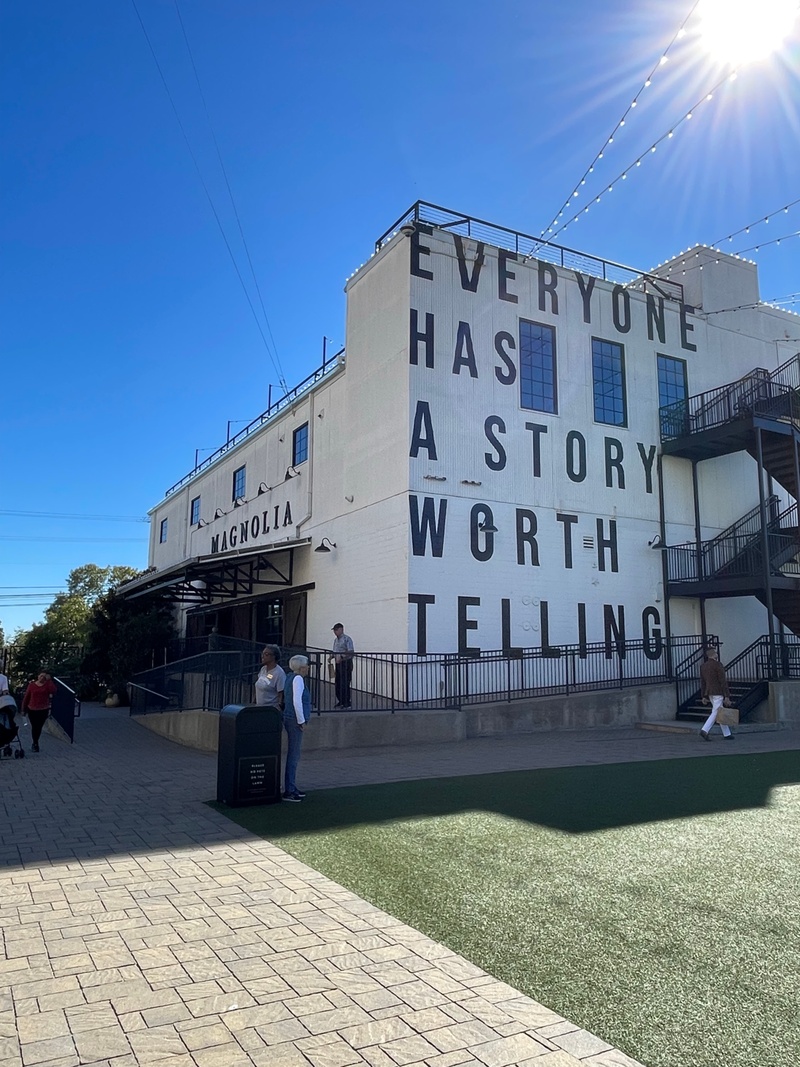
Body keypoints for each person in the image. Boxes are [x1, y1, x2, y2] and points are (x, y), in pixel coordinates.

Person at [282, 655, 311, 801]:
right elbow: (296, 701)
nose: (308, 668)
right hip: (294, 719)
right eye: (306, 665)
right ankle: (289, 789)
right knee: (294, 755)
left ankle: (291, 787)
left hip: (289, 718)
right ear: (301, 667)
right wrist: (301, 721)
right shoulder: (298, 679)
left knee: (294, 754)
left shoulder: (289, 677)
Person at [699, 646, 734, 741]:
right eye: (716, 653)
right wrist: (727, 695)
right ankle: (705, 730)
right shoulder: (718, 665)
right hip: (718, 691)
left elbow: (703, 682)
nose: (717, 654)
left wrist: (703, 695)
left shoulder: (703, 666)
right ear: (714, 654)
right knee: (716, 712)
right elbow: (723, 681)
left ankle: (727, 733)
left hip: (709, 691)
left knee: (719, 711)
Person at [21, 670, 58, 753]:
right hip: (32, 709)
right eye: (41, 676)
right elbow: (26, 697)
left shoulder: (47, 685)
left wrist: (49, 680)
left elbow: (54, 691)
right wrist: (23, 709)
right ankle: (35, 743)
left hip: (43, 709)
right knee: (35, 726)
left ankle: (35, 742)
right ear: (38, 676)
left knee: (39, 726)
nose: (42, 678)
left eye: (44, 677)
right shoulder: (32, 685)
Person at [331, 623, 354, 708]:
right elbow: (335, 651)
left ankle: (347, 702)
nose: (335, 632)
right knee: (338, 682)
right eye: (334, 630)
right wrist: (332, 657)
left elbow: (351, 652)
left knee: (345, 682)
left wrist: (342, 657)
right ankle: (341, 700)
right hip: (338, 663)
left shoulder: (347, 639)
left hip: (346, 663)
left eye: (336, 630)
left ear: (341, 629)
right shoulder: (336, 640)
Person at [254, 645, 285, 709]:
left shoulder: (279, 673)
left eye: (266, 654)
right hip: (259, 708)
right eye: (262, 654)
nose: (262, 656)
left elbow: (281, 694)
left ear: (273, 657)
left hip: (270, 710)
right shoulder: (263, 669)